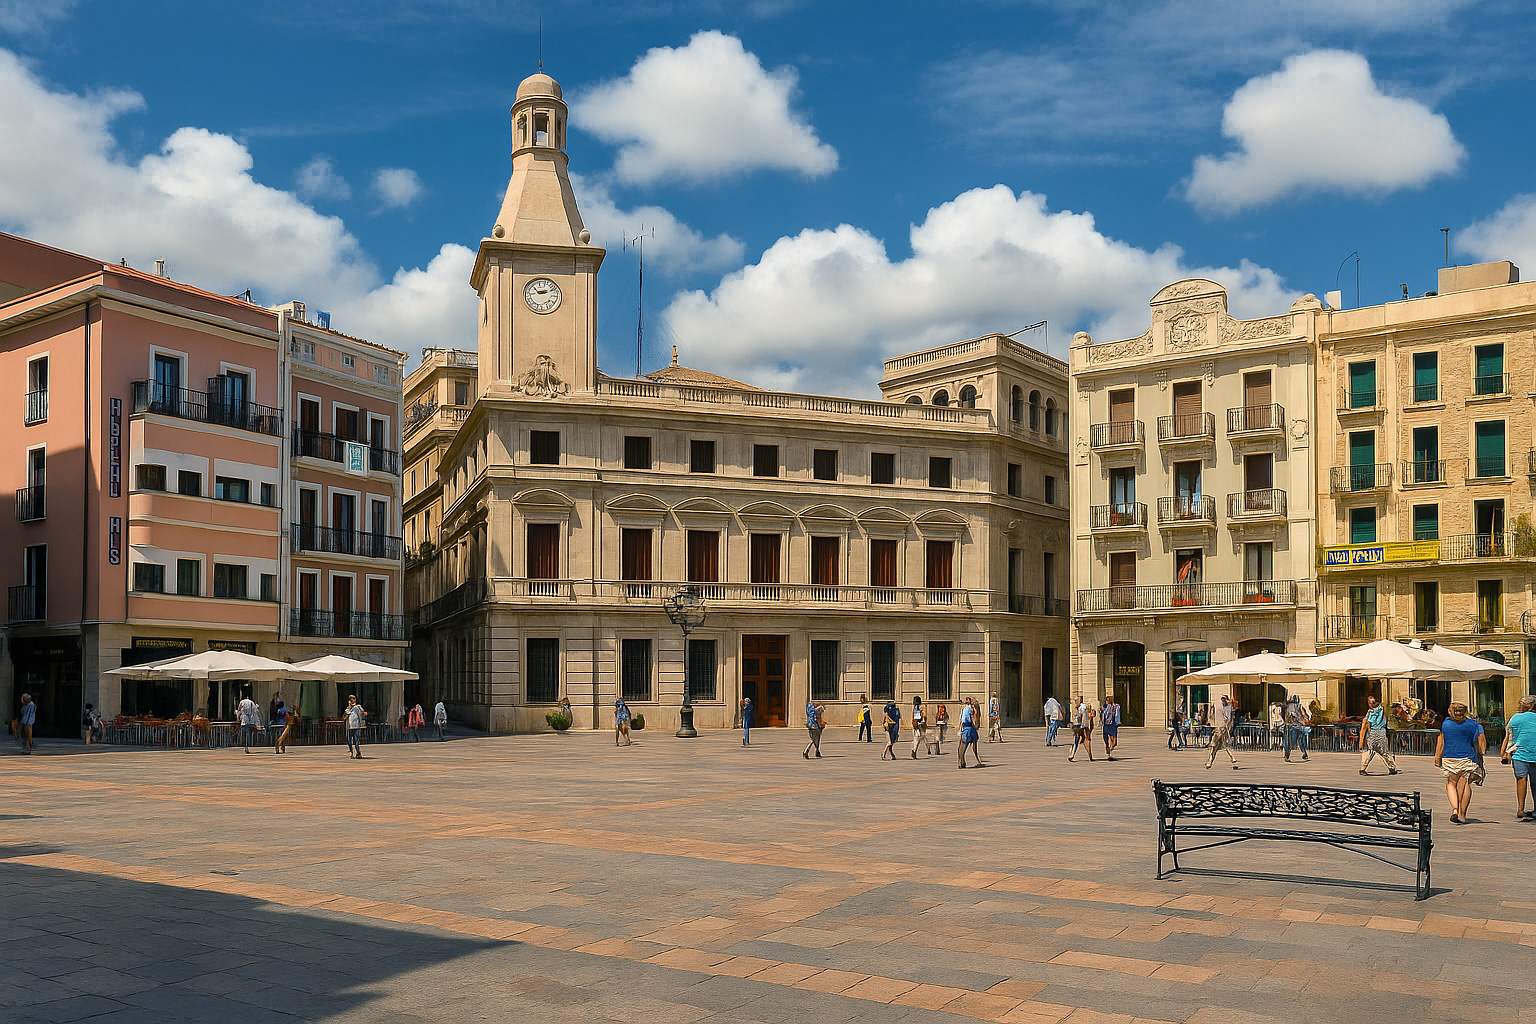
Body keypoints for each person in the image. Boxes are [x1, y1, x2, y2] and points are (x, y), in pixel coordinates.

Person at [1435, 701, 1486, 824]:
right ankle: (1462, 814)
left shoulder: (1445, 724)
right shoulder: (1473, 725)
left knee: (1451, 783)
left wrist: (1437, 757)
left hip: (1449, 757)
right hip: (1467, 757)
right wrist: (1481, 754)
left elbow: (1441, 741)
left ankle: (1455, 809)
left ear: (1451, 711)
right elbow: (1481, 742)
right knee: (1465, 783)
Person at [1500, 695, 1536, 820]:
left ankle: (1520, 809)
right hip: (1534, 752)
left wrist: (1505, 752)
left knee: (1521, 779)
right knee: (1535, 782)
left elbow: (1509, 736)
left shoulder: (1514, 718)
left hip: (1519, 753)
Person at [1359, 694, 1399, 776]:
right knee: (1379, 752)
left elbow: (1366, 725)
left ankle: (1363, 768)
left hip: (1377, 733)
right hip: (1378, 733)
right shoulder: (1381, 710)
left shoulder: (1373, 712)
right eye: (1370, 703)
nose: (1371, 705)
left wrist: (1361, 739)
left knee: (1374, 751)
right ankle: (1392, 767)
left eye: (1372, 703)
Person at [1204, 694, 1239, 770]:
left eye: (1225, 699)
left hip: (1225, 729)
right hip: (1218, 728)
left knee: (1223, 745)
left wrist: (1229, 728)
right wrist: (1213, 725)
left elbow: (1231, 719)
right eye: (1222, 699)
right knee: (1215, 746)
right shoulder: (1217, 705)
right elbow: (1211, 715)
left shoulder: (1229, 707)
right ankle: (1231, 758)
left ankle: (1232, 759)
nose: (1223, 700)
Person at [1282, 694, 1311, 762]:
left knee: (1288, 741)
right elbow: (1305, 715)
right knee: (1301, 739)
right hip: (1298, 726)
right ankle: (1304, 752)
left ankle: (1287, 755)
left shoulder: (1286, 707)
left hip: (1288, 726)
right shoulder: (1299, 706)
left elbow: (1284, 716)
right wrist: (1305, 720)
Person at [1068, 697, 1095, 763]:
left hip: (1081, 727)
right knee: (1086, 740)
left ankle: (1072, 755)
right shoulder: (1083, 707)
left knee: (1077, 740)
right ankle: (1090, 755)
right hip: (1085, 726)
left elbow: (1083, 717)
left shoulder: (1081, 707)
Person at [958, 697, 982, 768]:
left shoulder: (967, 709)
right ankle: (963, 761)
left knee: (963, 746)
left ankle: (962, 762)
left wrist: (960, 729)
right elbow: (967, 720)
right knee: (964, 746)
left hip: (967, 729)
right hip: (969, 729)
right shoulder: (969, 709)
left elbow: (962, 720)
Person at [344, 694, 367, 759]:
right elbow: (345, 717)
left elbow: (363, 711)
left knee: (356, 740)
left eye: (354, 699)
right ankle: (351, 752)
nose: (353, 700)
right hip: (349, 726)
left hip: (357, 726)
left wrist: (362, 712)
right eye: (352, 699)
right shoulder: (347, 709)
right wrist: (350, 707)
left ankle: (358, 752)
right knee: (349, 740)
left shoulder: (358, 707)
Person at [1101, 694, 1121, 760]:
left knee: (1115, 742)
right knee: (1106, 741)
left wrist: (1117, 723)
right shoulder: (1106, 707)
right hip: (1106, 725)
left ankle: (1109, 749)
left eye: (1108, 700)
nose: (1107, 702)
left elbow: (1117, 714)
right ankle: (1108, 755)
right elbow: (1104, 715)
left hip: (1113, 725)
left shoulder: (1116, 706)